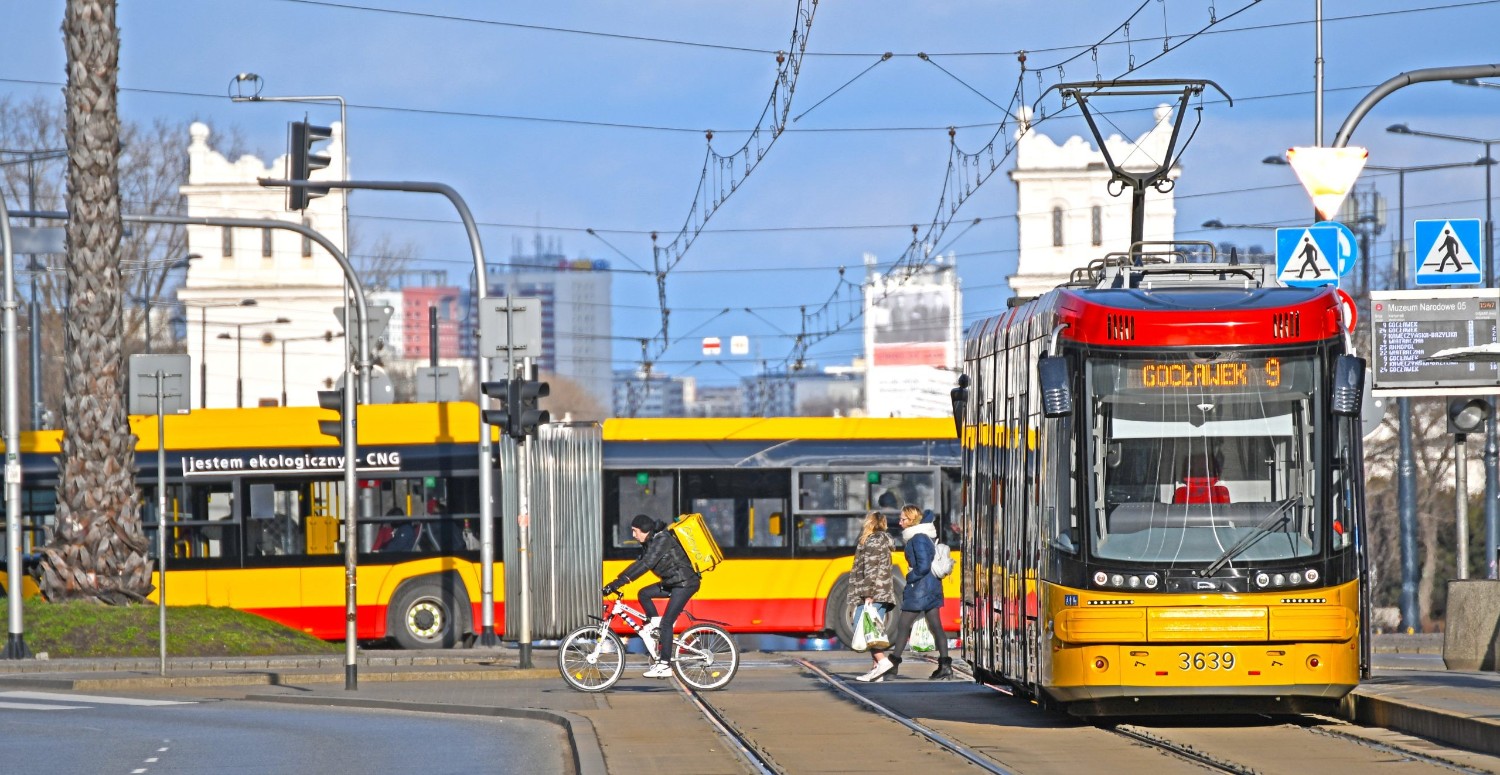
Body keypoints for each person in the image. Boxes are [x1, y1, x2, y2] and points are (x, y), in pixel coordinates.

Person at [602, 514, 702, 678]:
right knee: (644, 593)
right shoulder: (650, 542)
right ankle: (655, 627)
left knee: (667, 622)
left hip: (684, 583)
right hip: (673, 582)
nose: (633, 535)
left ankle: (664, 664)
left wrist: (619, 583)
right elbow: (638, 562)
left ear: (645, 530)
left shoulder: (661, 540)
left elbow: (645, 564)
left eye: (635, 531)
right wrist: (615, 582)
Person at [867, 504, 951, 680]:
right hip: (931, 587)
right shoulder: (923, 536)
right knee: (936, 627)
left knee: (903, 625)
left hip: (920, 589)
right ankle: (945, 666)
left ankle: (893, 664)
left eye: (903, 519)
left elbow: (923, 565)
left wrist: (910, 576)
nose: (899, 522)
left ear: (911, 520)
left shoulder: (918, 538)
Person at [850, 511, 898, 682]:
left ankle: (882, 661)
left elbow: (871, 569)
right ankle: (876, 670)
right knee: (873, 630)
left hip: (874, 593)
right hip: (881, 592)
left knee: (862, 626)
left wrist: (868, 594)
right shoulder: (881, 540)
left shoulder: (873, 540)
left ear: (869, 523)